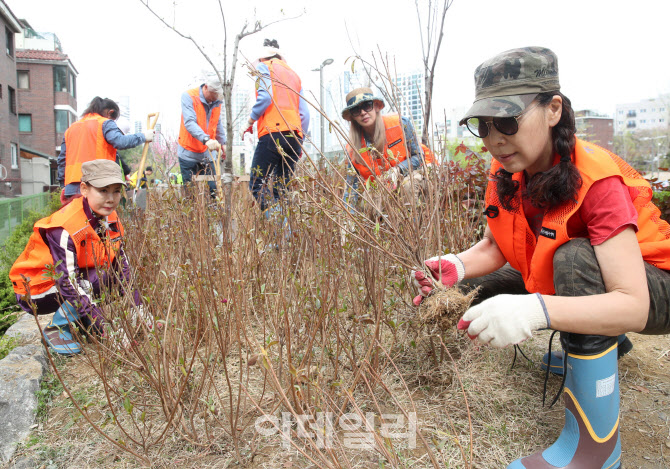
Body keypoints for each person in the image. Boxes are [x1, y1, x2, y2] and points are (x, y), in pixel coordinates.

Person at [412, 47, 670, 469]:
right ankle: (603, 343)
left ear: (553, 109)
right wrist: (456, 266)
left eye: (509, 121)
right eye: (485, 125)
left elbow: (633, 302)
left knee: (572, 260)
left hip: (657, 284)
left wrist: (536, 310)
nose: (496, 139)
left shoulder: (596, 179)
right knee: (493, 280)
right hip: (607, 280)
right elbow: (499, 246)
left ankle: (596, 448)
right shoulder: (510, 175)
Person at [10, 160, 143, 355]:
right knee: (93, 281)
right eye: (103, 190)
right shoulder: (65, 226)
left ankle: (83, 320)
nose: (111, 198)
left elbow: (123, 268)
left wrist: (139, 310)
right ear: (84, 189)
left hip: (66, 280)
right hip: (34, 288)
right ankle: (56, 328)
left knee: (108, 276)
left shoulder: (110, 218)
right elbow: (68, 283)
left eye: (116, 191)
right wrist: (106, 329)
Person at [244, 39, 310, 213]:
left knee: (257, 184)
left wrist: (250, 121)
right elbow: (305, 114)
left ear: (261, 57)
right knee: (282, 189)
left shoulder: (264, 67)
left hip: (273, 134)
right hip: (295, 137)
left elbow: (265, 97)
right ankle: (285, 235)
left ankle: (276, 228)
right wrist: (300, 141)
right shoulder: (294, 75)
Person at [341, 87, 425, 214]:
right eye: (356, 110)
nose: (363, 112)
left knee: (407, 187)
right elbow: (352, 186)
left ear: (376, 107)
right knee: (367, 201)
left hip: (415, 173)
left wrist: (398, 170)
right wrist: (347, 219)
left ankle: (410, 230)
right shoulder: (352, 149)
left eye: (367, 106)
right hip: (384, 185)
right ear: (352, 117)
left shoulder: (401, 123)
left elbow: (419, 157)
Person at [57, 97, 154, 204]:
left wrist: (64, 186)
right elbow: (120, 141)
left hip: (72, 186)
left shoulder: (71, 129)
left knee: (77, 220)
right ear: (110, 113)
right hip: (96, 184)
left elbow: (62, 160)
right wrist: (143, 136)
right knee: (97, 220)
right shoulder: (104, 123)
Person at [178, 77, 226, 197]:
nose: (214, 98)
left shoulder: (216, 102)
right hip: (188, 152)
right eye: (213, 94)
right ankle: (193, 216)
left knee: (214, 190)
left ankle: (215, 215)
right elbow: (189, 122)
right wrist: (206, 139)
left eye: (217, 96)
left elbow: (217, 123)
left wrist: (223, 142)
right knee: (191, 193)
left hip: (207, 154)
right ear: (205, 87)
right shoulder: (188, 97)